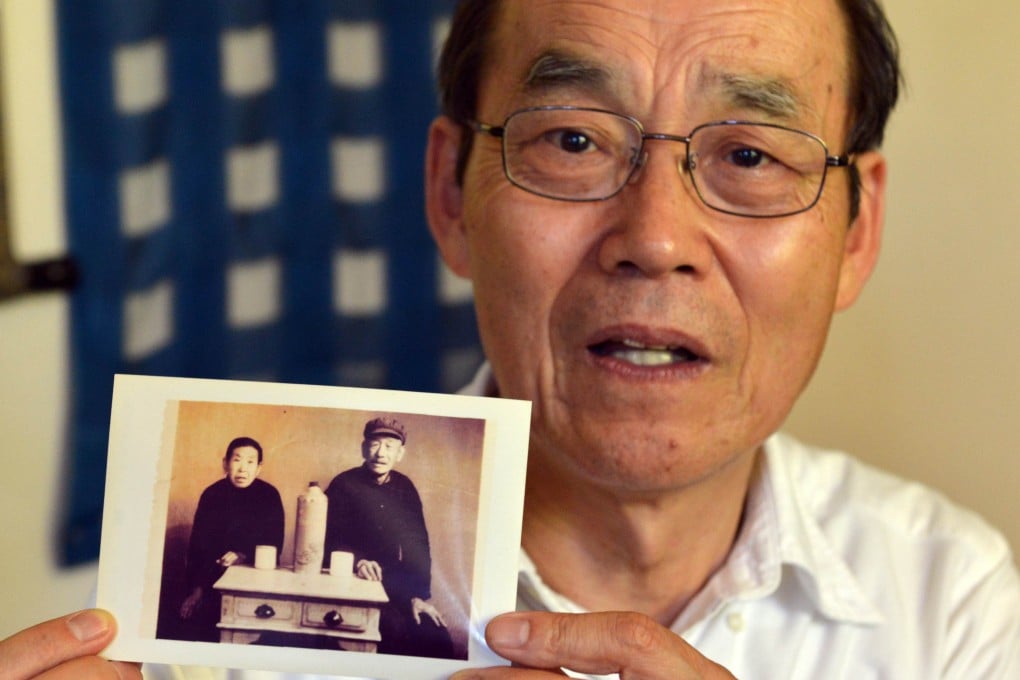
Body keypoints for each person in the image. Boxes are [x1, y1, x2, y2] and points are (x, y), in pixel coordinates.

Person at [4, 0, 1019, 678]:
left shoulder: (948, 601)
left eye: (751, 153)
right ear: (450, 194)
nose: (655, 238)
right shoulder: (195, 651)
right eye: (572, 140)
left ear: (858, 230)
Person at [323, 417, 454, 659]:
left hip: (393, 583)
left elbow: (418, 545)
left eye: (389, 446)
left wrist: (417, 595)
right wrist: (358, 561)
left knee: (436, 635)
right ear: (364, 448)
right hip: (350, 580)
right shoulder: (343, 484)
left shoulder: (405, 488)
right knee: (391, 631)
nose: (381, 453)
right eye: (375, 444)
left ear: (400, 453)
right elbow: (326, 540)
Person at [176, 436, 285, 642]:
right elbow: (198, 548)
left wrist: (242, 556)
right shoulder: (212, 495)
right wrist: (196, 591)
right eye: (237, 460)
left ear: (259, 467)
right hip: (212, 581)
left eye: (250, 462)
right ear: (225, 463)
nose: (243, 468)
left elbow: (274, 545)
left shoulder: (269, 496)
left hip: (255, 582)